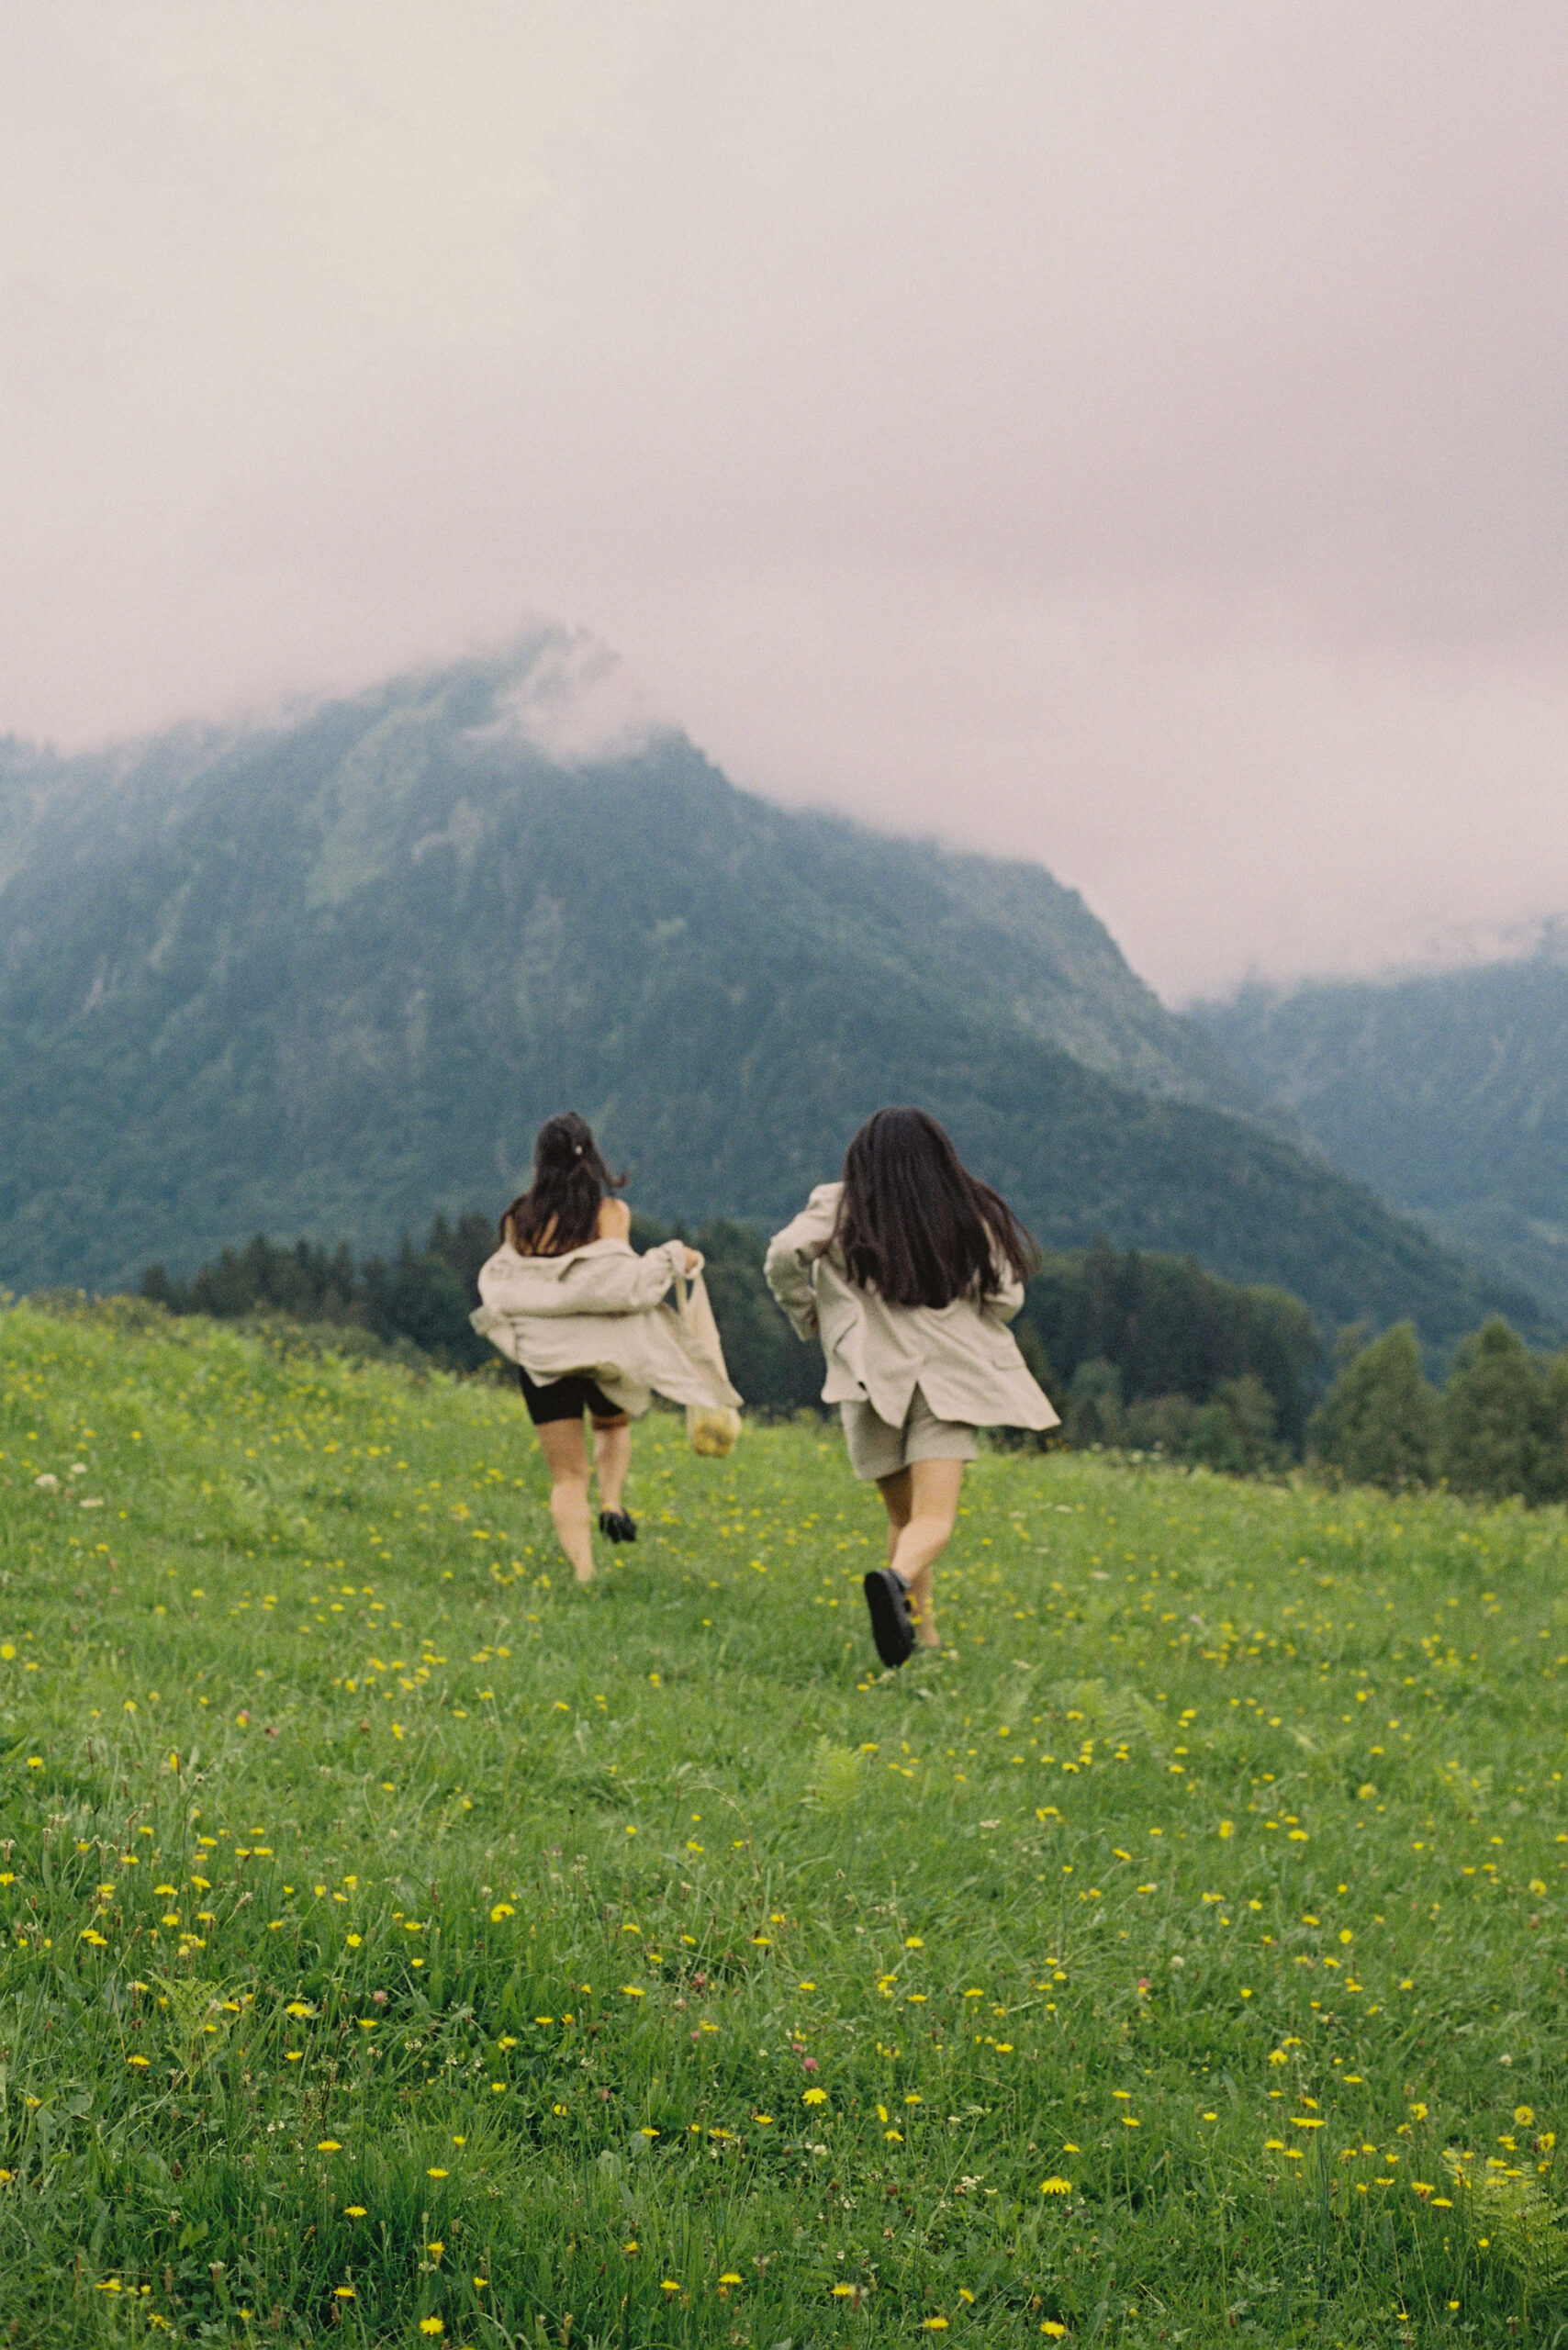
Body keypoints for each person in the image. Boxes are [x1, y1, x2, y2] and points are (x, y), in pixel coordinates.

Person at [765, 1106, 1058, 1667]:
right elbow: (1005, 1298)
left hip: (872, 1378)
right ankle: (895, 1580)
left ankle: (919, 1641)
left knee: (903, 1519)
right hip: (945, 1377)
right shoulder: (966, 1207)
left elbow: (782, 1255)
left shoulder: (840, 1203)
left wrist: (813, 1314)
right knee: (933, 1520)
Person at [472, 1113, 742, 1584]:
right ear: (591, 1158)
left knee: (567, 1477)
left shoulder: (521, 1219)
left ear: (540, 1163)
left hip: (544, 1359)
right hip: (605, 1352)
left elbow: (512, 1285)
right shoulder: (609, 1214)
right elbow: (614, 1281)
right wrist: (676, 1259)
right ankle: (613, 1502)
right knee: (613, 1427)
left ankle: (583, 1572)